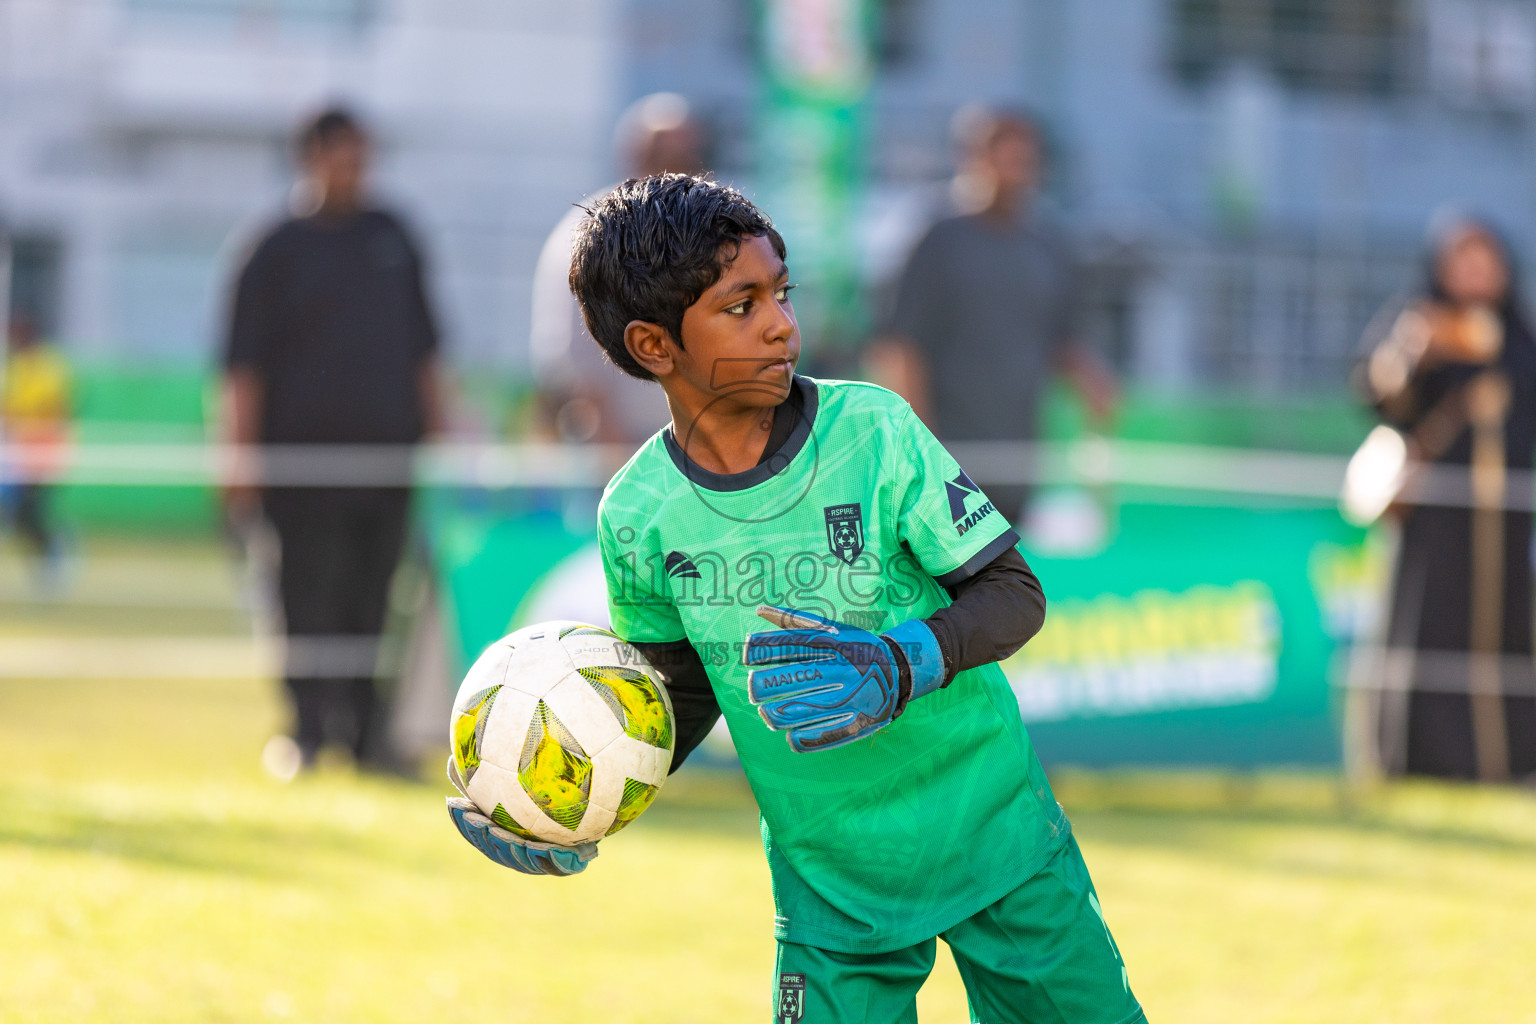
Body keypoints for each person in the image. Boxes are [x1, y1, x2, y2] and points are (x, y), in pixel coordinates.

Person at [447, 175, 1145, 1023]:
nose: (782, 323)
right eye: (741, 306)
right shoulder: (636, 513)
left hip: (997, 839)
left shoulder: (874, 432)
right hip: (829, 888)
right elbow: (677, 700)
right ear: (654, 345)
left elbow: (1013, 593)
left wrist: (901, 662)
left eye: (782, 293)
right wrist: (573, 805)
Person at [222, 107, 444, 777]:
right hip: (299, 465)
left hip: (387, 460)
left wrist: (443, 433)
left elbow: (427, 349)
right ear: (311, 157)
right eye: (342, 156)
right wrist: (238, 458)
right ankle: (309, 733)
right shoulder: (272, 248)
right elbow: (241, 367)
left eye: (361, 157)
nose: (354, 170)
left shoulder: (394, 235)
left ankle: (371, 738)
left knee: (375, 597)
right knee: (305, 597)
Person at [868, 107, 1117, 525]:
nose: (1013, 170)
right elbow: (898, 348)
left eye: (1024, 159)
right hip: (948, 462)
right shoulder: (936, 238)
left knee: (1006, 564)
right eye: (1001, 156)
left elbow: (1063, 340)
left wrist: (1092, 382)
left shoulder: (1049, 244)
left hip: (1018, 460)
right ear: (971, 157)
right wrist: (921, 453)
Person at [1357, 216, 1536, 782]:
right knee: (1430, 629)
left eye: (1486, 261)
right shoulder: (1419, 323)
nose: (1475, 273)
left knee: (1505, 635)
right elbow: (1379, 397)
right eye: (1463, 261)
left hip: (1504, 522)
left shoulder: (1520, 337)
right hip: (1436, 523)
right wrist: (1415, 352)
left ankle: (1506, 761)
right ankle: (1422, 760)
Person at [528, 92, 703, 449]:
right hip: (619, 445)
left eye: (686, 158)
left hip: (698, 443)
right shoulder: (594, 230)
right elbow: (571, 355)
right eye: (664, 158)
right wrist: (619, 453)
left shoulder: (707, 231)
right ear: (634, 157)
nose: (675, 172)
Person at [2, 316, 70, 590]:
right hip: (16, 454)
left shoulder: (50, 367)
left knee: (30, 512)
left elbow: (54, 409)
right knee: (20, 516)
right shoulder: (14, 368)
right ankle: (46, 556)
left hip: (42, 453)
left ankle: (53, 550)